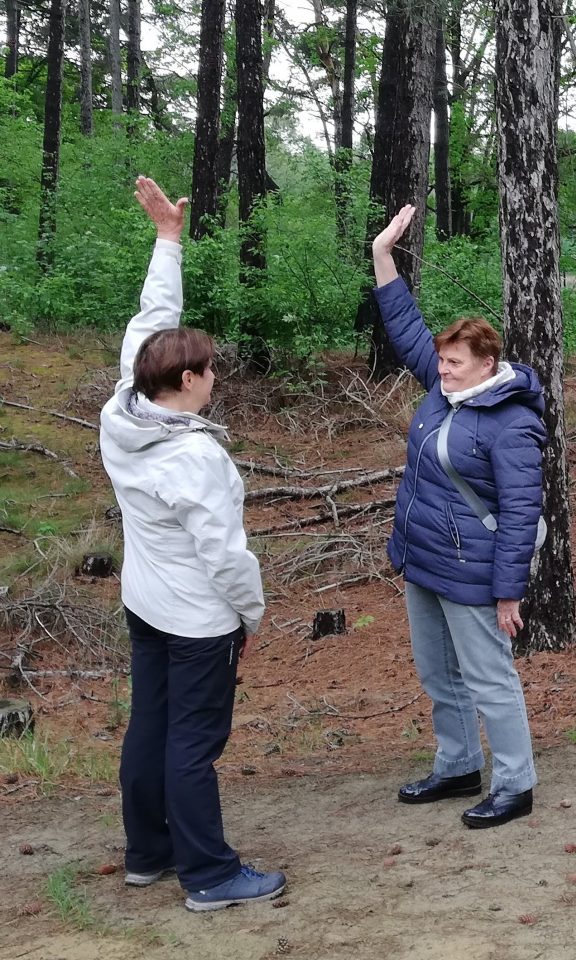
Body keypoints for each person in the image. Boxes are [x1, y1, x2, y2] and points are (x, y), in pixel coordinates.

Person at [99, 177, 285, 912]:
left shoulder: (125, 405)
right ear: (186, 379)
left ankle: (149, 852)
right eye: (209, 371)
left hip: (145, 605)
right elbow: (226, 556)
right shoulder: (193, 457)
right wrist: (252, 614)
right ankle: (209, 875)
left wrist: (168, 240)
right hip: (198, 618)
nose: (216, 379)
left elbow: (154, 317)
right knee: (193, 742)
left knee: (151, 725)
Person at [371, 205, 544, 829]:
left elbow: (522, 515)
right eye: (441, 362)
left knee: (489, 677)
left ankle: (515, 782)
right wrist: (383, 255)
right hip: (425, 559)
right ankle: (458, 765)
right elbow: (405, 327)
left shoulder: (512, 422)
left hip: (477, 568)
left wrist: (507, 594)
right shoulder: (442, 393)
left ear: (488, 366)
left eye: (455, 363)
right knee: (438, 673)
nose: (442, 371)